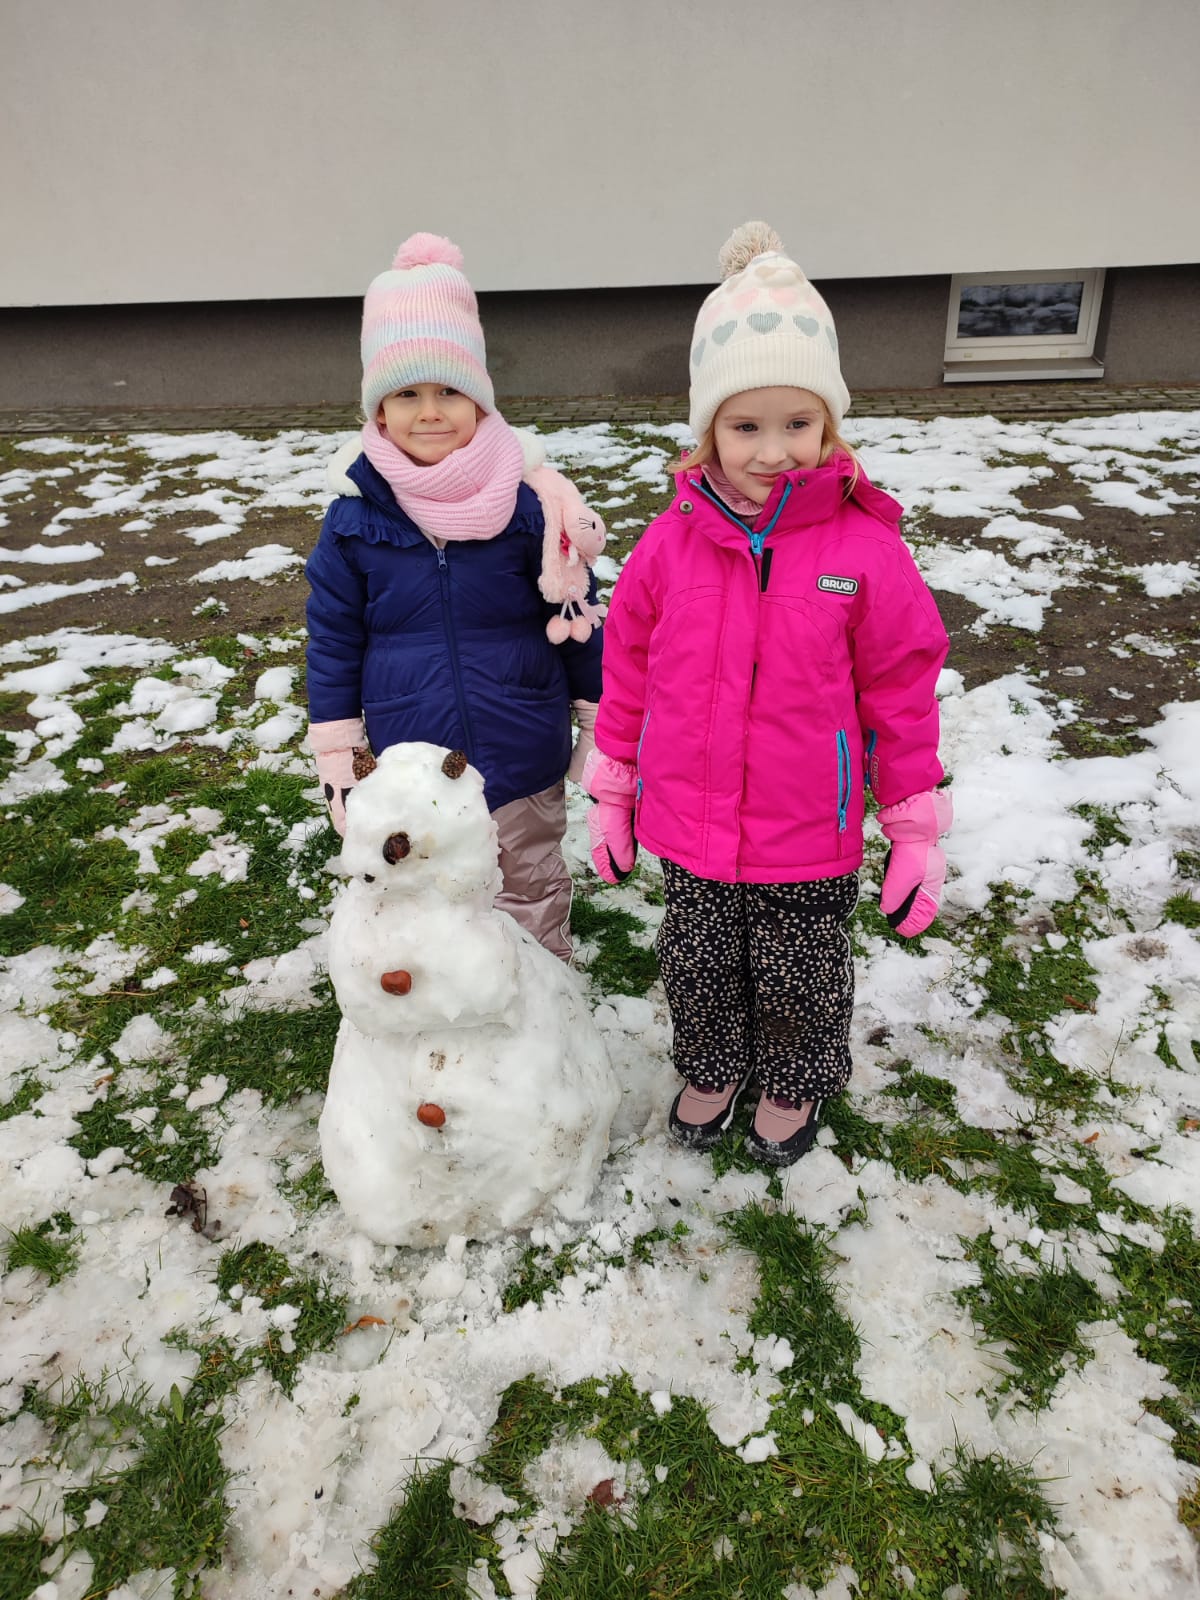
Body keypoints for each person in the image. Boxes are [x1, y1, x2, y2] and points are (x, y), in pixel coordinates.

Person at [583, 222, 951, 1166]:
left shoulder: (865, 550)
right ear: (708, 432)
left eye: (799, 424)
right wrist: (614, 790)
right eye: (746, 426)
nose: (774, 450)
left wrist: (912, 827)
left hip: (807, 827)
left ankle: (793, 1079)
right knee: (699, 962)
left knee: (800, 974)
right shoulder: (670, 544)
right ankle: (712, 1066)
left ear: (830, 427)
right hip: (689, 817)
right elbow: (628, 672)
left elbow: (903, 690)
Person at [305, 232, 605, 961]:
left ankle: (543, 993)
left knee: (526, 875)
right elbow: (335, 639)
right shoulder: (353, 520)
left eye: (449, 392)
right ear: (379, 411)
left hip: (521, 737)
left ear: (479, 399)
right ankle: (451, 997)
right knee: (432, 885)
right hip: (413, 753)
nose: (430, 412)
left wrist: (598, 715)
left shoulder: (530, 505)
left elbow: (576, 615)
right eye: (407, 394)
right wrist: (340, 750)